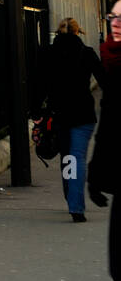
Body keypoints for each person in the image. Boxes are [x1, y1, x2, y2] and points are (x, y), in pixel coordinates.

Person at [39, 19, 104, 221]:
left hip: (59, 114)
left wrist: (38, 111)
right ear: (78, 32)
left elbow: (39, 84)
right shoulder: (87, 52)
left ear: (58, 32)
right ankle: (76, 206)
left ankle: (70, 197)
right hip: (83, 113)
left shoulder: (48, 53)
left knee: (67, 158)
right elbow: (104, 79)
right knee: (78, 158)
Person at [89, 0, 121, 281]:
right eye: (112, 17)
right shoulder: (112, 63)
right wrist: (95, 174)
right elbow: (109, 127)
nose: (116, 23)